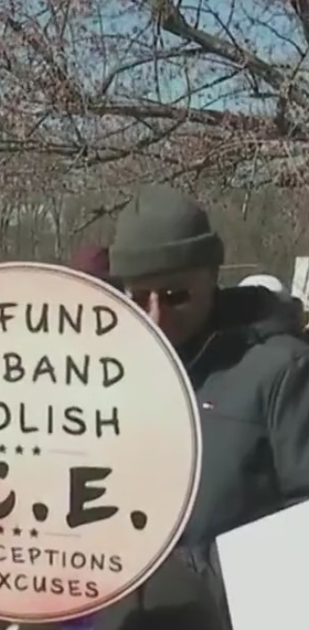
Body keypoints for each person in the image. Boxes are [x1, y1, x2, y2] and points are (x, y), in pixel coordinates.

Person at [106, 185, 309, 627]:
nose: (157, 316)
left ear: (212, 277)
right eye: (139, 299)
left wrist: (194, 572)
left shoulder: (282, 370)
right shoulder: (109, 372)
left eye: (176, 295)